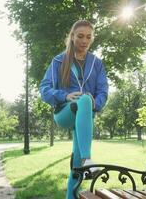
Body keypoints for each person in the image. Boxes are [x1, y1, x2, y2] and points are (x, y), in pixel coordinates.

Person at [39, 20, 109, 199]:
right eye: (80, 36)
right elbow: (44, 89)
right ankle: (88, 159)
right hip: (64, 113)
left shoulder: (97, 63)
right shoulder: (58, 61)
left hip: (85, 117)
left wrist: (96, 103)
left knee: (76, 167)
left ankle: (74, 187)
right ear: (72, 37)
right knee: (84, 98)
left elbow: (103, 91)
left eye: (88, 37)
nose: (84, 41)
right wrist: (64, 96)